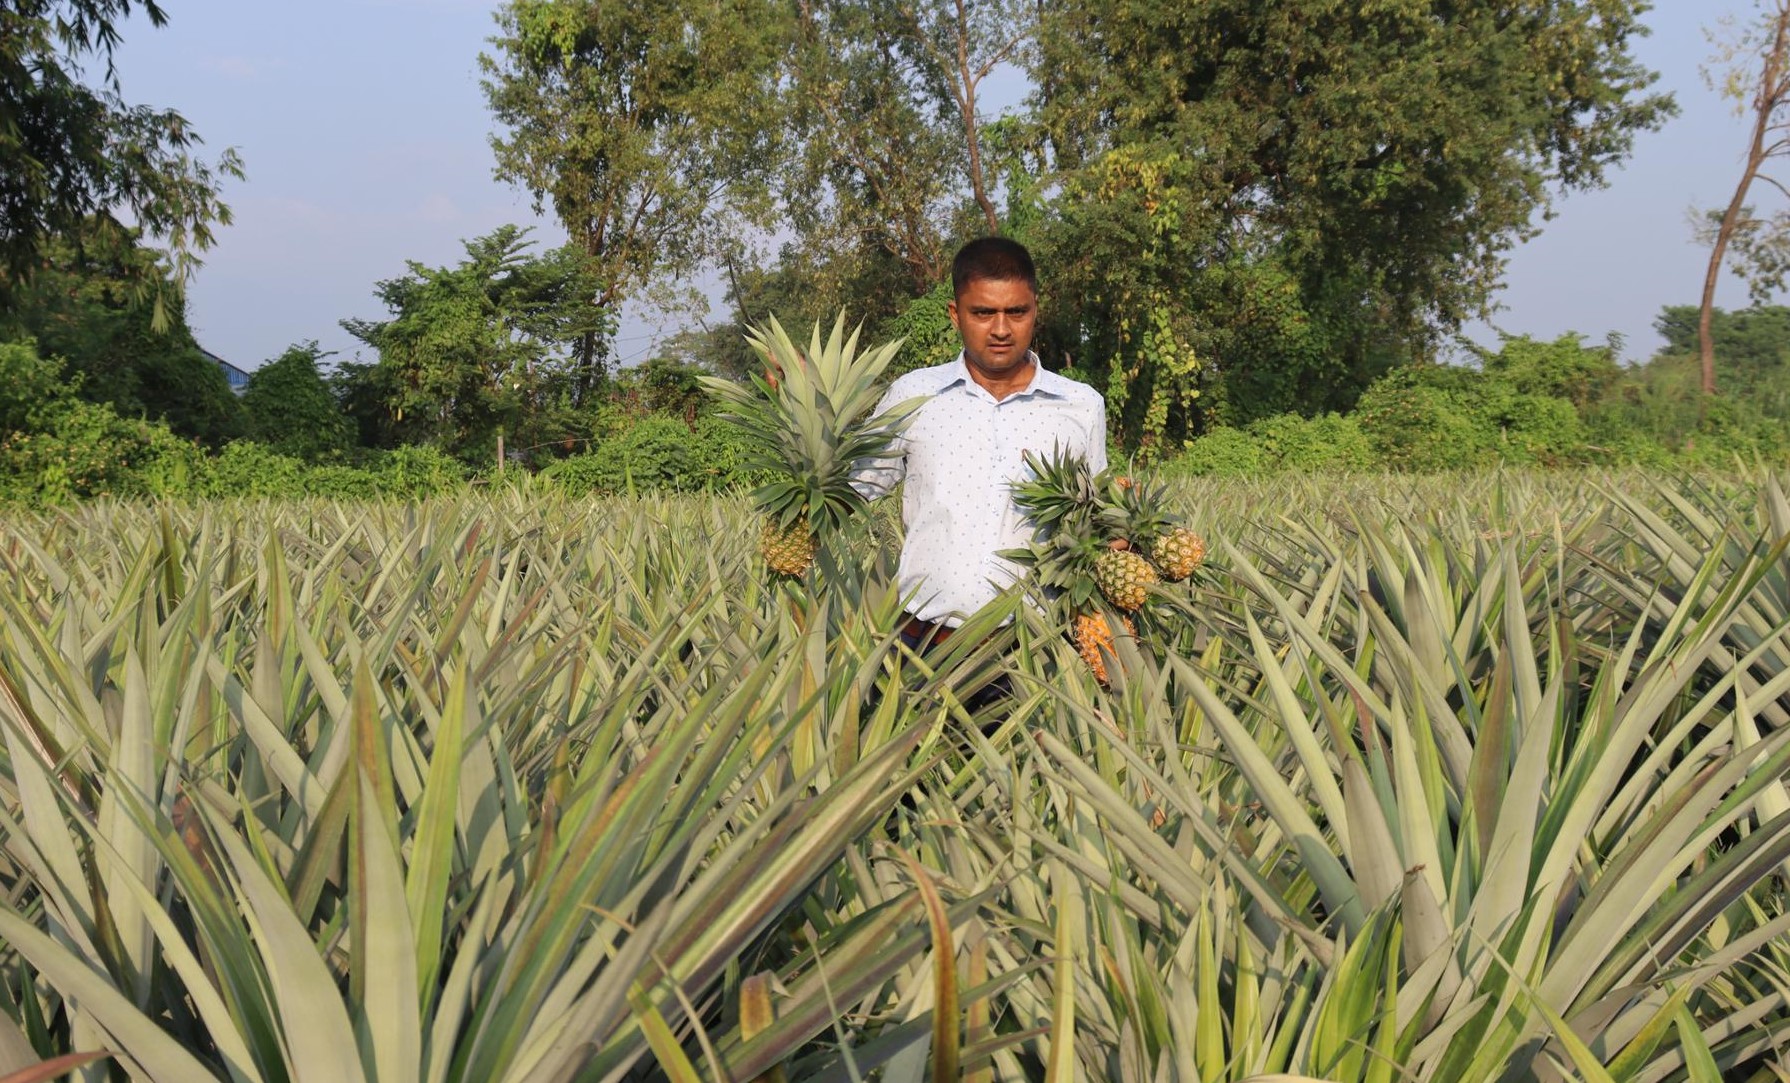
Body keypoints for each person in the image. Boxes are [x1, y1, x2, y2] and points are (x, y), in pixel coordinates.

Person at [854, 237, 1108, 651]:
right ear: (956, 314)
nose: (1002, 329)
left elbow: (1092, 522)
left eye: (1016, 312)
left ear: (1034, 311)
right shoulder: (914, 395)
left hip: (1036, 647)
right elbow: (852, 489)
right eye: (983, 313)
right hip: (925, 641)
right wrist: (803, 403)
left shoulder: (1080, 405)